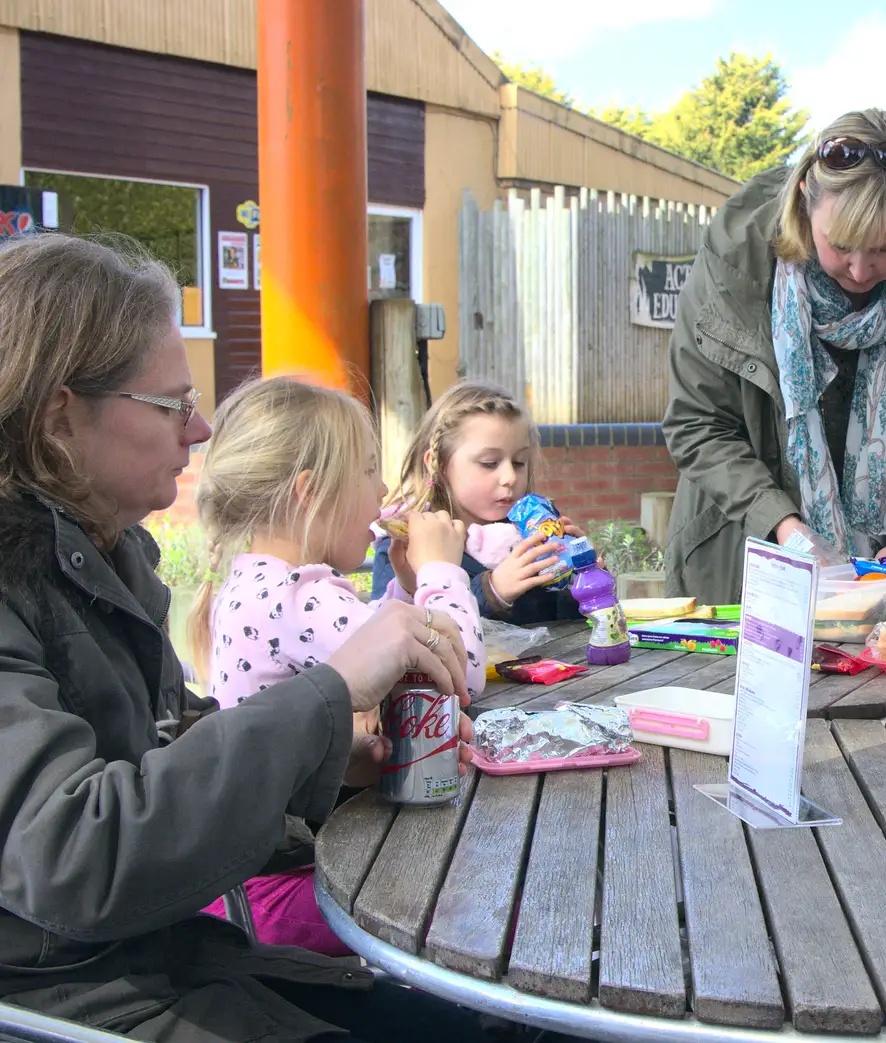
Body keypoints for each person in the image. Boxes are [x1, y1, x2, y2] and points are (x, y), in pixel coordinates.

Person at [0, 234, 496, 1042]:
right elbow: (76, 855)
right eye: (171, 404)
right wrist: (330, 692)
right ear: (61, 418)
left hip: (170, 958)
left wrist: (327, 751)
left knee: (479, 1023)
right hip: (79, 1001)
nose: (198, 428)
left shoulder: (97, 559)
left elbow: (160, 750)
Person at [190, 377, 487, 956]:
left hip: (249, 886)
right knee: (481, 899)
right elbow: (460, 673)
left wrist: (404, 592)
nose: (382, 491)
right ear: (310, 492)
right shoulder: (297, 596)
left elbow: (378, 642)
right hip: (289, 894)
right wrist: (442, 572)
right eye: (369, 470)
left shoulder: (257, 584)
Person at [661, 108, 886, 604]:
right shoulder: (735, 262)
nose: (861, 270)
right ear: (805, 200)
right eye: (841, 245)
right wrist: (783, 525)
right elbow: (697, 424)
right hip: (737, 566)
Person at [372, 381, 584, 625]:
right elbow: (394, 629)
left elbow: (562, 629)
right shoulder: (407, 543)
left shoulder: (532, 534)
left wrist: (579, 584)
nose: (510, 478)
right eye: (489, 463)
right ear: (438, 464)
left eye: (519, 462)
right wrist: (491, 591)